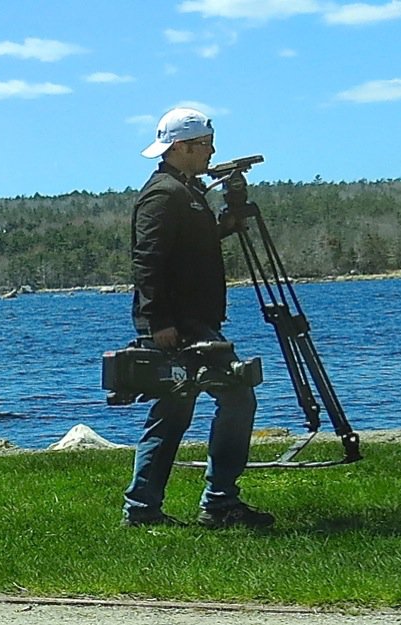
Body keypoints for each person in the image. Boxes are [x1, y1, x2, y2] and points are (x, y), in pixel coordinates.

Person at [122, 107, 275, 529]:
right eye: (205, 145)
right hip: (181, 324)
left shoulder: (184, 192)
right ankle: (219, 501)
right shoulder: (164, 195)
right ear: (182, 147)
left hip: (189, 320)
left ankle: (144, 509)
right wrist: (158, 322)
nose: (212, 152)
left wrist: (225, 223)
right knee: (236, 395)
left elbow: (191, 247)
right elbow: (147, 261)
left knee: (174, 410)